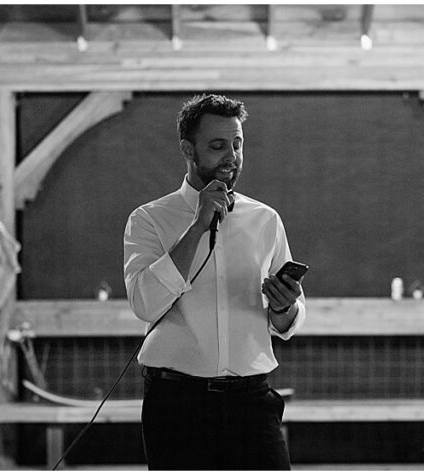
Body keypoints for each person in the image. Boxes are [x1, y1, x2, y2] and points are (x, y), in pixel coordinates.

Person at [123, 94, 305, 470]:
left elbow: (284, 323)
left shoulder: (265, 220)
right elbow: (145, 302)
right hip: (177, 404)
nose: (232, 156)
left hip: (251, 403)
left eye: (237, 144)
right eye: (218, 146)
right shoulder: (149, 220)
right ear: (188, 149)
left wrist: (286, 307)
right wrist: (197, 226)